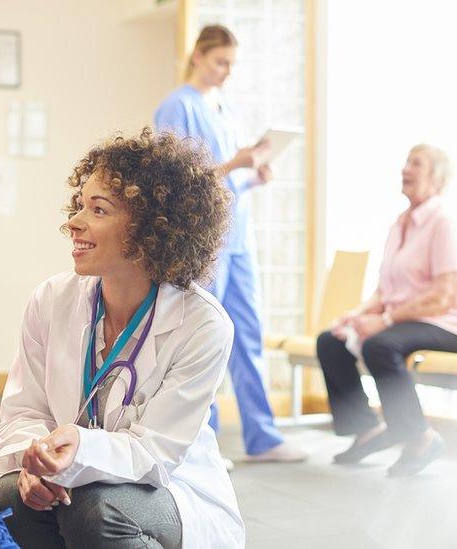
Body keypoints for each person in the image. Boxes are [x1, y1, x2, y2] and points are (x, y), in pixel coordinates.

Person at [0, 129, 245, 548]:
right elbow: (22, 411)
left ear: (151, 229)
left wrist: (78, 449)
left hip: (171, 492)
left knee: (96, 508)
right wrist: (33, 459)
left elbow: (156, 453)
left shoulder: (203, 325)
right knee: (12, 498)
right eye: (79, 205)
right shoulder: (51, 300)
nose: (72, 222)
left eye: (98, 209)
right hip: (73, 478)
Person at [154, 24, 307, 463]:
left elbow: (226, 183)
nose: (226, 72)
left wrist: (251, 175)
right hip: (207, 242)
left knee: (248, 333)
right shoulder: (176, 107)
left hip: (239, 239)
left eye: (231, 65)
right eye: (220, 62)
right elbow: (174, 180)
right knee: (204, 336)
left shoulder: (225, 108)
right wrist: (233, 163)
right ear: (198, 55)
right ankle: (203, 443)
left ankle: (262, 435)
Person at [316, 144, 457, 477]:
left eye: (417, 164)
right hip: (414, 318)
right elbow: (385, 291)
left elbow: (445, 295)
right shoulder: (400, 224)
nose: (405, 169)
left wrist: (383, 321)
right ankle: (367, 429)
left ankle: (420, 438)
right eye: (406, 162)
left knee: (380, 344)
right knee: (331, 340)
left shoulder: (445, 222)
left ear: (437, 179)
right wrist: (355, 316)